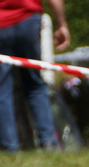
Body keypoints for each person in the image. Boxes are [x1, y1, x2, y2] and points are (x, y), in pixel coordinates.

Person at [0, 0, 70, 153]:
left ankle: (9, 148)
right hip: (28, 20)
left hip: (1, 24)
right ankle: (48, 142)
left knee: (2, 91)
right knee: (35, 85)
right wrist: (62, 24)